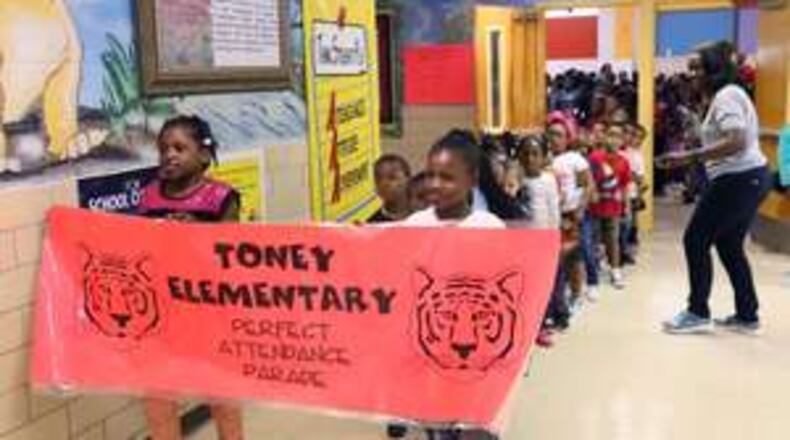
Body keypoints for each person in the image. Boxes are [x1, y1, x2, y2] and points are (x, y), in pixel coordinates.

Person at [137, 115, 243, 440]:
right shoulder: (149, 196)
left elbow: (231, 252)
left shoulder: (222, 198)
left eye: (180, 147)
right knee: (158, 397)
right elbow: (139, 250)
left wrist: (195, 235)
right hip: (163, 312)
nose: (169, 154)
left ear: (204, 156)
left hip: (211, 312)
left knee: (221, 394)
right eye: (163, 148)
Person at [660, 42, 771, 334]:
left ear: (715, 68)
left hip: (738, 179)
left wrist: (689, 157)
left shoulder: (726, 96)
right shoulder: (723, 96)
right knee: (729, 245)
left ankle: (697, 311)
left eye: (697, 67)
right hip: (749, 178)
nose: (691, 73)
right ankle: (747, 315)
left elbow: (738, 140)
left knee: (695, 239)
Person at [403, 131, 504, 440]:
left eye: (447, 177)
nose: (435, 185)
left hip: (481, 361)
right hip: (432, 358)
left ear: (472, 179)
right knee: (438, 429)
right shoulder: (413, 226)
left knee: (477, 431)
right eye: (431, 175)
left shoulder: (490, 228)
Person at [516, 134, 562, 346]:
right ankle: (524, 327)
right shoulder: (515, 180)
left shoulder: (548, 181)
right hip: (521, 244)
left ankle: (542, 324)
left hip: (543, 241)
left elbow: (554, 212)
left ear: (544, 157)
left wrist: (554, 239)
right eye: (525, 154)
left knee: (541, 287)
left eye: (535, 154)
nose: (530, 158)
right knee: (523, 288)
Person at [547, 112, 597, 305]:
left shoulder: (575, 158)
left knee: (579, 251)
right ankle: (565, 291)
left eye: (559, 134)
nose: (554, 138)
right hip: (554, 215)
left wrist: (581, 208)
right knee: (560, 255)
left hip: (574, 214)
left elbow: (588, 185)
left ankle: (581, 291)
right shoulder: (545, 158)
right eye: (551, 133)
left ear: (568, 137)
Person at [588, 123, 632, 289]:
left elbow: (625, 185)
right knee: (594, 240)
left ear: (622, 140)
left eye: (617, 136)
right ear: (604, 136)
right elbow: (589, 180)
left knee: (613, 240)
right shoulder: (595, 157)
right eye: (610, 135)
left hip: (613, 207)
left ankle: (615, 270)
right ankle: (594, 270)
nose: (613, 139)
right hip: (595, 207)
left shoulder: (624, 161)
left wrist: (626, 206)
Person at [368, 154, 412, 223]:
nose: (385, 184)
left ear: (409, 179)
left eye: (392, 177)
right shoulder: (373, 225)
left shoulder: (426, 215)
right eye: (379, 179)